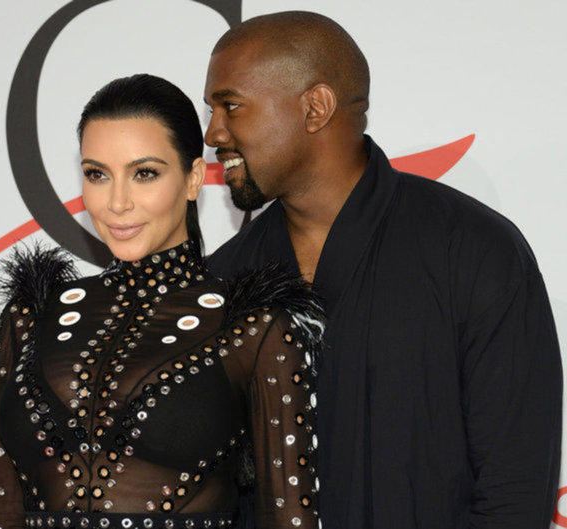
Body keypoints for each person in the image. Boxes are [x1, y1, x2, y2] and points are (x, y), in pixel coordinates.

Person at [204, 11, 562, 529]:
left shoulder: (474, 250)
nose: (213, 132)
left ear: (315, 107)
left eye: (231, 106)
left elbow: (514, 494)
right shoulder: (222, 280)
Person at [0, 74, 324, 529]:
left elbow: (288, 517)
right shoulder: (32, 316)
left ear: (193, 179)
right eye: (97, 174)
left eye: (144, 173)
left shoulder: (253, 326)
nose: (117, 203)